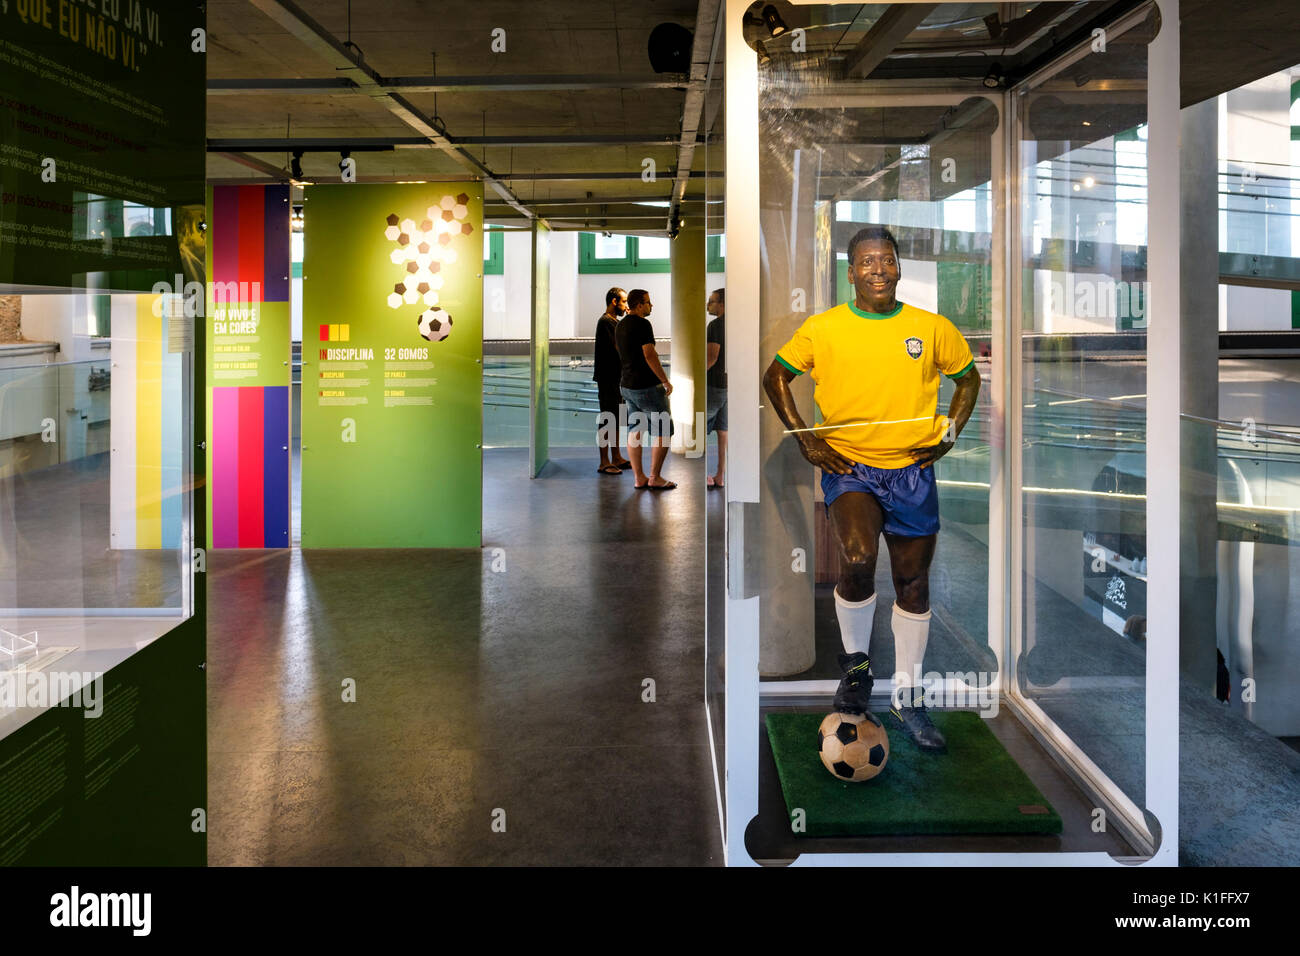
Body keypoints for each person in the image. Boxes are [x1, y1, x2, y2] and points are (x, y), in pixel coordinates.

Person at [762, 226, 981, 752]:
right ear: (851, 271)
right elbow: (775, 377)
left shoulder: (930, 328)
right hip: (851, 468)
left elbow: (968, 380)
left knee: (913, 582)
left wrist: (948, 433)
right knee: (858, 561)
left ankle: (909, 694)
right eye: (866, 262)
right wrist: (806, 441)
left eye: (887, 260)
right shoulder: (824, 328)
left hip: (912, 470)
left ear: (899, 268)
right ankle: (856, 671)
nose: (878, 270)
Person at [616, 289, 676, 490]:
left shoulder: (620, 325)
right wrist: (665, 381)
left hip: (627, 385)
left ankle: (639, 477)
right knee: (663, 430)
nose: (651, 306)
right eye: (648, 302)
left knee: (635, 430)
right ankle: (655, 477)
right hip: (647, 387)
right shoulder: (643, 324)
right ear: (639, 305)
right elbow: (649, 354)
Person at [594, 287, 631, 474]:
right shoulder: (606, 322)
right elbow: (621, 347)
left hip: (616, 378)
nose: (626, 306)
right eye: (624, 301)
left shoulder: (614, 322)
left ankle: (616, 456)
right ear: (614, 302)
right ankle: (604, 461)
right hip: (608, 378)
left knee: (616, 418)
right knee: (607, 418)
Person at [705, 288, 727, 489]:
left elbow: (711, 357)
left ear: (721, 304)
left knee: (699, 428)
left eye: (711, 301)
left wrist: (697, 376)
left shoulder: (715, 325)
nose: (707, 304)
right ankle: (720, 475)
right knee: (723, 431)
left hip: (715, 385)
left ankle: (699, 473)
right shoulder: (735, 323)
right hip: (730, 384)